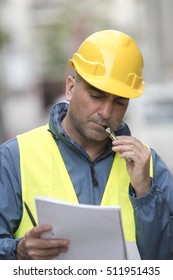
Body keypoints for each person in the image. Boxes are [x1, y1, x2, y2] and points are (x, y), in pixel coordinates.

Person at [0, 30, 173, 260]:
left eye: (119, 102)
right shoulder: (14, 158)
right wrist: (17, 251)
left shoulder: (151, 168)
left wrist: (146, 193)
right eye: (96, 96)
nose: (106, 112)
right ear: (70, 88)